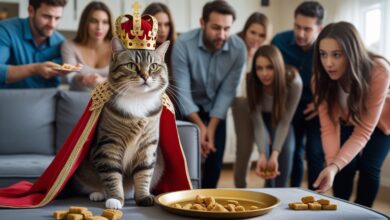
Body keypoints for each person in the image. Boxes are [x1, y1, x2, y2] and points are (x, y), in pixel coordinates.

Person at [312, 21, 390, 208]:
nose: (328, 63)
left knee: (369, 168)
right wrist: (332, 166)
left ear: (352, 52)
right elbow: (328, 127)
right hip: (348, 120)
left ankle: (362, 212)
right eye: (323, 54)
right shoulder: (319, 80)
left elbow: (364, 131)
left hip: (381, 123)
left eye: (336, 55)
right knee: (343, 168)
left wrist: (334, 166)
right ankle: (342, 210)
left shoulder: (379, 71)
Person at [172, 0, 246, 188]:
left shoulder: (239, 49)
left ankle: (207, 203)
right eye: (216, 28)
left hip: (216, 110)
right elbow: (183, 90)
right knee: (185, 159)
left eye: (227, 29)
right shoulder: (183, 44)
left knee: (215, 161)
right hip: (187, 109)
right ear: (202, 23)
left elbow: (227, 92)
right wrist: (199, 127)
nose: (222, 34)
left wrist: (210, 129)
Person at [271, 1, 325, 189]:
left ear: (320, 28)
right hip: (287, 107)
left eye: (307, 29)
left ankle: (316, 197)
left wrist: (321, 103)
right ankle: (290, 192)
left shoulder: (327, 48)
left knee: (315, 153)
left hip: (316, 108)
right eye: (297, 27)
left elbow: (337, 78)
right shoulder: (279, 41)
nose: (301, 34)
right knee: (291, 152)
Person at [247, 45, 302, 187]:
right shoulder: (251, 81)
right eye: (259, 68)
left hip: (283, 118)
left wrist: (274, 154)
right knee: (266, 162)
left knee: (286, 153)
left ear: (278, 66)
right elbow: (258, 123)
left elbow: (285, 122)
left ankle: (281, 191)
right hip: (262, 119)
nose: (264, 73)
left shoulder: (294, 82)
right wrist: (263, 154)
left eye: (269, 67)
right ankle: (269, 191)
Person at [232, 12, 271, 188]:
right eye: (253, 32)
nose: (256, 38)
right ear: (245, 30)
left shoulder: (264, 51)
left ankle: (271, 187)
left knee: (265, 144)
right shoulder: (234, 45)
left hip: (263, 102)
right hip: (241, 102)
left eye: (261, 35)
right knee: (244, 149)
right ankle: (241, 187)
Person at [0, 0, 68, 88]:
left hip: (47, 99)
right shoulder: (6, 30)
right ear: (31, 11)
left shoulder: (61, 42)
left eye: (57, 18)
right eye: (46, 16)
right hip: (9, 99)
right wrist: (34, 69)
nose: (52, 24)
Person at [61, 1, 113, 91]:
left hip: (109, 100)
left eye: (105, 22)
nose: (99, 27)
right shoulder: (69, 46)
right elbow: (70, 75)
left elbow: (125, 78)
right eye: (94, 21)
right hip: (78, 98)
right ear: (85, 23)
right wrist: (81, 78)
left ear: (110, 25)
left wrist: (102, 81)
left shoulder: (117, 48)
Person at [142, 2, 178, 110]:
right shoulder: (136, 52)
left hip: (174, 109)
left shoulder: (176, 49)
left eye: (166, 24)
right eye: (157, 24)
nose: (162, 30)